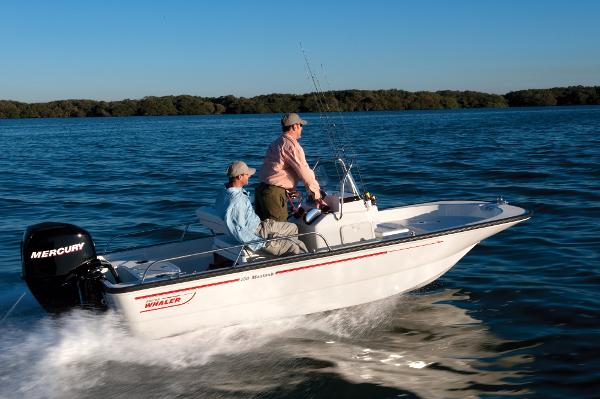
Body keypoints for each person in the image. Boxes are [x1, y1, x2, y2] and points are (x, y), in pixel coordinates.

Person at [214, 161, 308, 256]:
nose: (249, 176)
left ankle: (285, 256)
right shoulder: (237, 200)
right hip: (256, 234)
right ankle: (295, 258)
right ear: (239, 177)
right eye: (247, 174)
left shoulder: (225, 192)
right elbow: (238, 229)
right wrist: (261, 243)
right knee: (296, 247)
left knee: (292, 228)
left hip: (259, 226)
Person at [255, 112, 326, 222]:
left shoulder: (276, 142)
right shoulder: (292, 146)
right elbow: (304, 172)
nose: (301, 129)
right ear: (295, 126)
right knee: (279, 232)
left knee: (264, 230)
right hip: (273, 194)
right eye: (300, 126)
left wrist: (288, 191)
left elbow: (274, 170)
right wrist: (317, 196)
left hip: (261, 191)